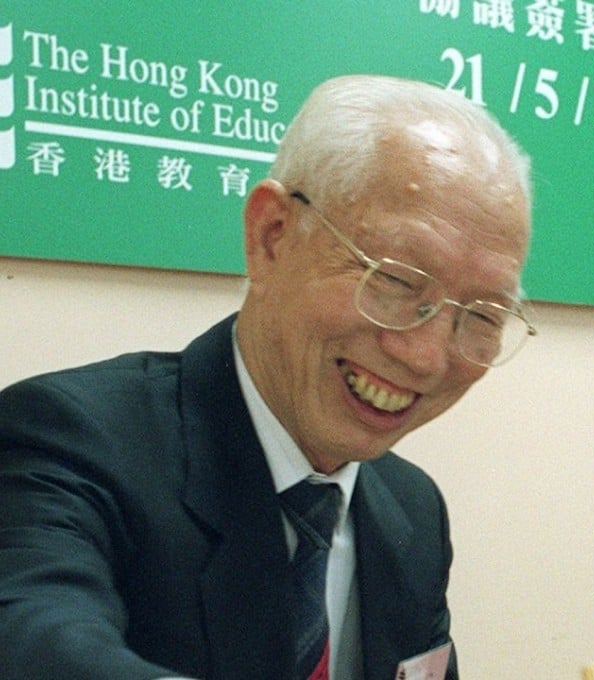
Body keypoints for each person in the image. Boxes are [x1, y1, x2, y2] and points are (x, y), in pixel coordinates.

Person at [0, 74, 535, 680]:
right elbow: (35, 642)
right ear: (271, 237)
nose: (426, 356)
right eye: (395, 280)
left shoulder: (409, 511)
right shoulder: (71, 439)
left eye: (483, 316)